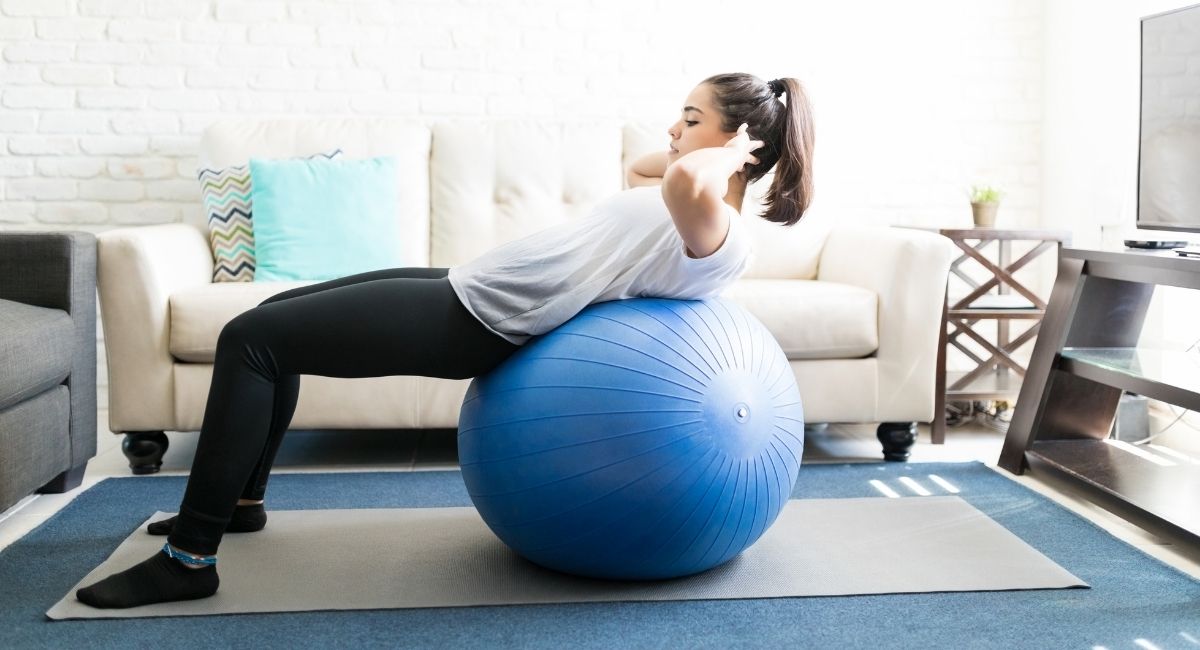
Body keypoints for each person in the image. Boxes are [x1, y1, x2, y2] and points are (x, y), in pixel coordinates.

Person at [75, 72, 815, 608]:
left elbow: (684, 184)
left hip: (479, 321)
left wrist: (733, 156)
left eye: (688, 118)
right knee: (276, 317)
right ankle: (239, 503)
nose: (673, 131)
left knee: (251, 342)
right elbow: (642, 169)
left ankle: (190, 557)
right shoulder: (688, 197)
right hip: (468, 284)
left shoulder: (717, 228)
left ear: (733, 142)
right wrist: (706, 146)